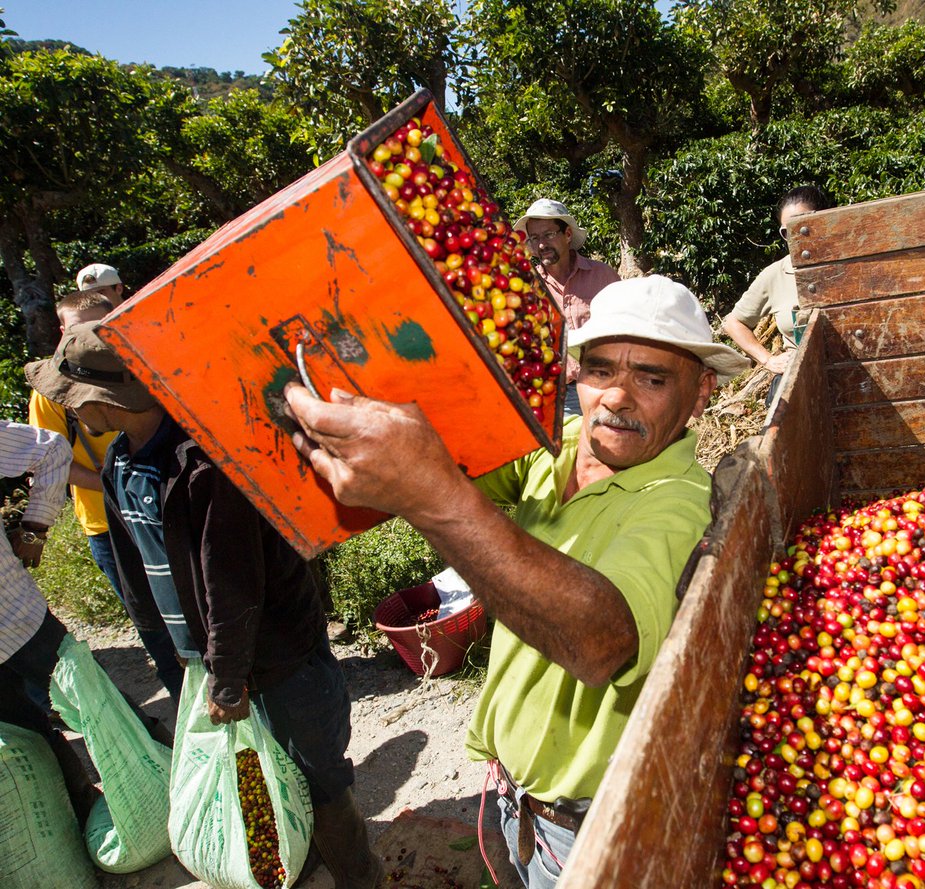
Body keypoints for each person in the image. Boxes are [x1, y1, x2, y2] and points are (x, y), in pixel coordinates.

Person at [285, 275, 750, 887]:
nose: (617, 398)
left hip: (583, 826)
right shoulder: (560, 446)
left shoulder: (681, 504)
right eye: (601, 370)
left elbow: (603, 640)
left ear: (700, 394)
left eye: (653, 379)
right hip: (511, 791)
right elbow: (458, 465)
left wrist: (433, 497)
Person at [25, 323, 382, 889]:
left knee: (318, 773)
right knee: (257, 774)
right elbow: (137, 572)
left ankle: (358, 875)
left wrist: (227, 679)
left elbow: (232, 583)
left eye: (71, 400)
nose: (68, 412)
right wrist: (185, 661)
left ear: (104, 400)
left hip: (273, 655)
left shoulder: (203, 465)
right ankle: (294, 862)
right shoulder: (119, 462)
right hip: (211, 658)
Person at [27, 290, 184, 703]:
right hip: (108, 524)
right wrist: (117, 486)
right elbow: (49, 460)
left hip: (166, 507)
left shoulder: (140, 367)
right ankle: (191, 711)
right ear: (62, 331)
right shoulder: (51, 395)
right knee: (154, 624)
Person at [0, 418, 101, 827]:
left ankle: (159, 771)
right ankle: (79, 815)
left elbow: (52, 449)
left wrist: (35, 529)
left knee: (95, 707)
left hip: (16, 617)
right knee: (28, 739)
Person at [722, 184, 834, 405]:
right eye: (786, 231)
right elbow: (733, 322)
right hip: (801, 385)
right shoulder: (776, 274)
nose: (796, 235)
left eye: (802, 225)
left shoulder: (850, 264)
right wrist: (768, 360)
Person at [513, 198, 620, 416]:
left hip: (606, 388)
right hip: (560, 395)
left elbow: (627, 329)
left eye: (549, 234)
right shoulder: (527, 287)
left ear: (568, 235)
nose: (541, 244)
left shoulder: (603, 277)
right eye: (534, 238)